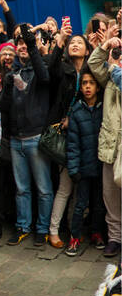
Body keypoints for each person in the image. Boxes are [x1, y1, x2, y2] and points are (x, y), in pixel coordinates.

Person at [1, 22, 53, 247]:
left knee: (43, 189)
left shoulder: (40, 68)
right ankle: (23, 227)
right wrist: (6, 86)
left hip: (35, 138)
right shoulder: (11, 73)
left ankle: (42, 229)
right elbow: (4, 108)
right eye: (19, 44)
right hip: (15, 139)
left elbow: (45, 78)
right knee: (21, 189)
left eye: (26, 44)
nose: (22, 47)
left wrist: (32, 45)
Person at [47, 26, 89, 247]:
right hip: (65, 135)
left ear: (87, 49)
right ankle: (53, 231)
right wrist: (59, 41)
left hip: (88, 135)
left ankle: (75, 229)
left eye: (79, 43)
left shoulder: (91, 71)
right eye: (72, 43)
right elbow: (49, 70)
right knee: (65, 187)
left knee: (82, 187)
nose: (75, 44)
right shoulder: (62, 69)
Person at [88, 21, 122, 258]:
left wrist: (113, 67)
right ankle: (115, 238)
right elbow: (92, 64)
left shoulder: (114, 73)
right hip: (110, 142)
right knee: (110, 195)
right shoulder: (109, 77)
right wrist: (105, 45)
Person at [65, 67, 105, 255]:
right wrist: (74, 169)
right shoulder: (77, 111)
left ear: (97, 86)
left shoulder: (104, 109)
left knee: (98, 203)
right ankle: (74, 236)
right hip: (83, 167)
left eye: (91, 83)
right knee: (80, 204)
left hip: (101, 166)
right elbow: (72, 144)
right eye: (84, 84)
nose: (88, 87)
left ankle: (96, 232)